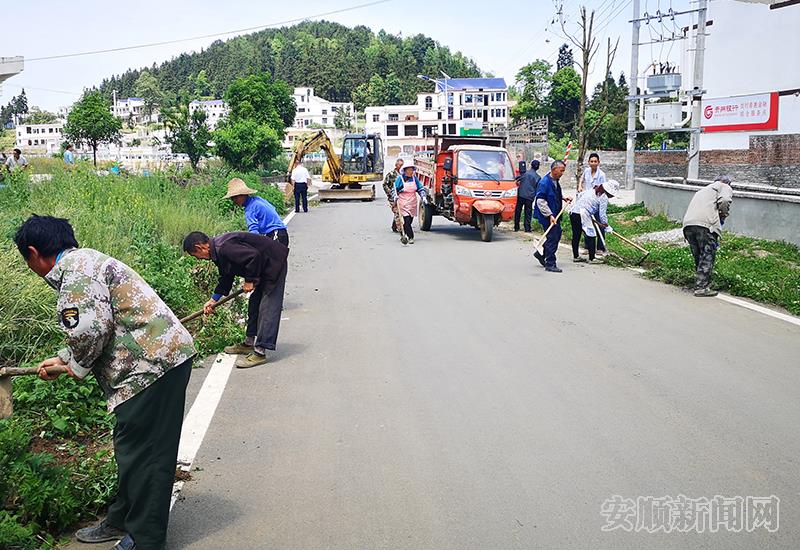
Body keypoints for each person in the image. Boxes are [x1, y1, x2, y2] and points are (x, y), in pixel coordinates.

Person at [14, 215, 195, 550]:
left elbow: (88, 331)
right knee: (132, 448)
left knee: (147, 454)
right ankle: (122, 518)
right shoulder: (84, 262)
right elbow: (96, 324)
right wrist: (65, 358)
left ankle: (145, 538)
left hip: (150, 367)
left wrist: (74, 365)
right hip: (151, 361)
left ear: (34, 252)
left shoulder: (75, 275)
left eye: (27, 260)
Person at [183, 230, 289, 368]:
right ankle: (249, 343)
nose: (199, 259)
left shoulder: (224, 248)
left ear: (200, 247)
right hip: (262, 267)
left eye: (196, 255)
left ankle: (260, 352)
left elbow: (253, 256)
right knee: (254, 304)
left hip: (273, 263)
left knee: (267, 308)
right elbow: (226, 276)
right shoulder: (217, 252)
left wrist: (249, 280)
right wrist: (213, 300)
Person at [682, 175, 734, 297]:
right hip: (705, 225)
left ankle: (700, 283)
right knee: (707, 255)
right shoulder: (724, 186)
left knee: (699, 256)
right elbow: (725, 201)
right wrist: (723, 214)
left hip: (688, 225)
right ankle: (701, 287)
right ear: (728, 183)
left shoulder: (702, 190)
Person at [223, 177, 289, 246]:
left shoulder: (250, 209)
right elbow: (273, 209)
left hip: (276, 234)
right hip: (280, 233)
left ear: (243, 195)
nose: (234, 200)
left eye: (236, 197)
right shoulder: (257, 200)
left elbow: (254, 231)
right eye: (232, 198)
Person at [533, 160, 572, 272]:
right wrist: (550, 215)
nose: (563, 173)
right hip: (547, 216)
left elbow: (554, 194)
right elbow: (540, 201)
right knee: (553, 237)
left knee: (556, 235)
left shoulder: (555, 180)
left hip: (555, 214)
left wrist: (563, 198)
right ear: (554, 169)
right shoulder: (544, 183)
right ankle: (550, 263)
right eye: (561, 170)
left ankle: (541, 254)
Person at [569, 179, 620, 264]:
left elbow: (580, 196)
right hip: (582, 214)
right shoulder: (604, 197)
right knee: (591, 234)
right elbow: (602, 215)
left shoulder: (592, 190)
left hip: (574, 212)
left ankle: (576, 256)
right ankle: (592, 258)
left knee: (576, 235)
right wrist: (606, 226)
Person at [391, 163, 428, 245]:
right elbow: (394, 189)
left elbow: (420, 188)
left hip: (412, 202)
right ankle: (411, 237)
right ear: (405, 171)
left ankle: (405, 232)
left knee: (409, 221)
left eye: (412, 170)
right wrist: (395, 197)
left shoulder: (414, 179)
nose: (411, 172)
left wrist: (423, 197)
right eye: (409, 170)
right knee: (407, 221)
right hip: (403, 202)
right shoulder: (400, 179)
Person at [383, 157, 407, 243]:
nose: (401, 167)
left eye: (402, 165)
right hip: (393, 197)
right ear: (396, 166)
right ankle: (401, 231)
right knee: (397, 212)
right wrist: (390, 194)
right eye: (400, 165)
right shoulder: (391, 175)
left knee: (401, 212)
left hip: (403, 197)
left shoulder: (405, 175)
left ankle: (395, 225)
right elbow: (385, 185)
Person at [514, 159, 541, 232]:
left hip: (521, 195)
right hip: (530, 197)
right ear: (538, 167)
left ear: (531, 165)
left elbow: (516, 180)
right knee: (528, 212)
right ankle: (527, 228)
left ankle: (516, 227)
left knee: (518, 211)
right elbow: (538, 188)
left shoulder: (525, 173)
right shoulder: (538, 177)